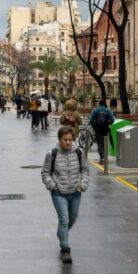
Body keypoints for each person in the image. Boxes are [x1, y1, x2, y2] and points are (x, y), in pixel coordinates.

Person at [41, 126, 89, 264]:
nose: (68, 142)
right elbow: (45, 173)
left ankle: (62, 234)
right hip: (59, 193)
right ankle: (65, 249)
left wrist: (82, 185)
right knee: (64, 219)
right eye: (65, 140)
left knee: (72, 218)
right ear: (59, 140)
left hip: (75, 192)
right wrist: (52, 186)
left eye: (70, 139)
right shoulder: (52, 153)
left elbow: (85, 170)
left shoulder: (79, 152)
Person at [88, 100, 114, 165]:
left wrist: (90, 124)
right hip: (105, 128)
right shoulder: (108, 111)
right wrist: (108, 123)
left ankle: (102, 158)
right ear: (105, 104)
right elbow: (112, 121)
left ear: (99, 104)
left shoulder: (95, 110)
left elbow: (91, 120)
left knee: (99, 143)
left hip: (97, 129)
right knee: (105, 143)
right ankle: (105, 157)